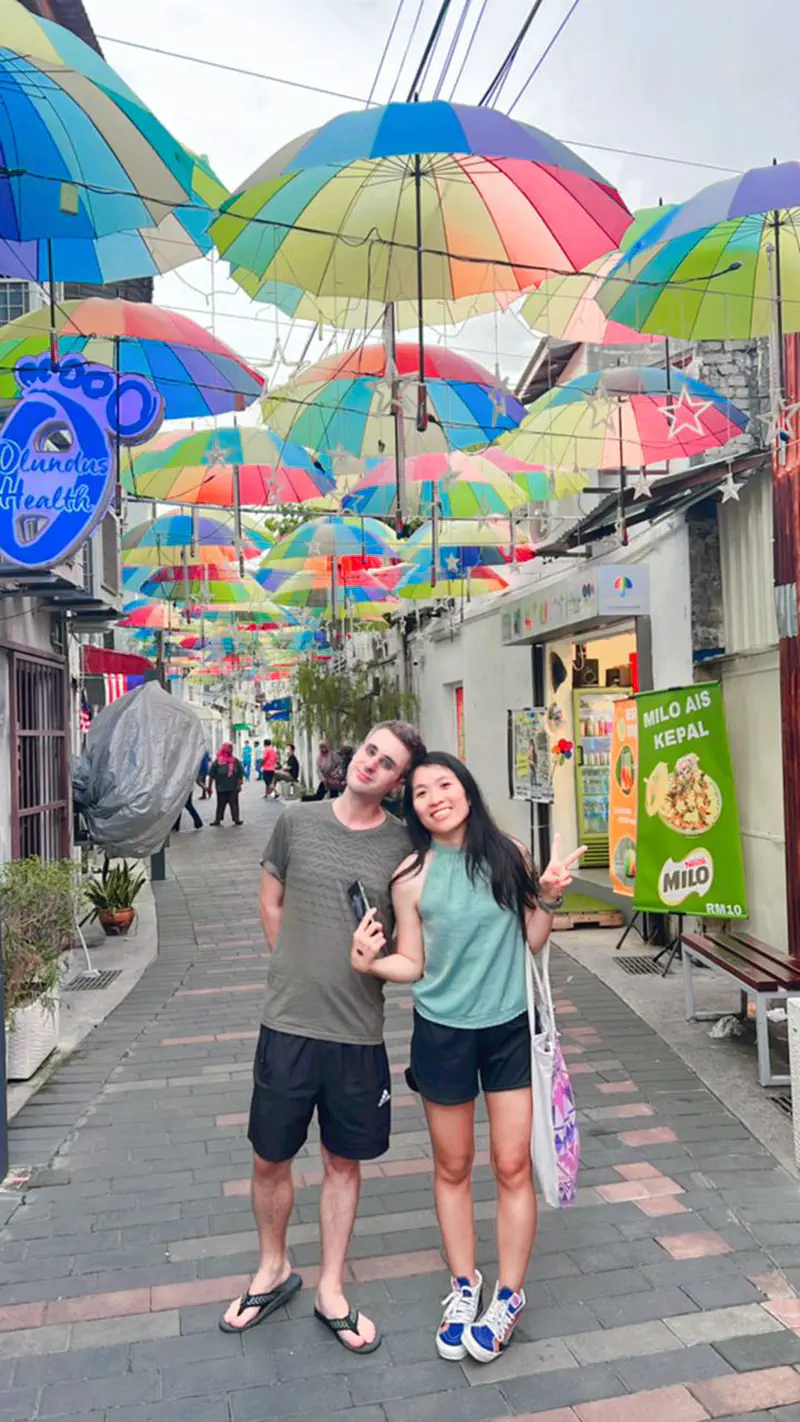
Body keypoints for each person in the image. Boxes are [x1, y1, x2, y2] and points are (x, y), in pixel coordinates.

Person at [351, 752, 585, 1365]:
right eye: (422, 791)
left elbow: (530, 942)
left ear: (467, 790)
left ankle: (508, 1295)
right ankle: (464, 1286)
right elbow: (414, 962)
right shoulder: (411, 875)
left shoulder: (507, 853)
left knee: (512, 1166)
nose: (434, 798)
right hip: (441, 1035)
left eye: (444, 785)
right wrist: (371, 961)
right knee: (453, 1166)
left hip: (508, 1030)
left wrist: (550, 898)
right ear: (415, 808)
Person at [220, 721, 427, 1353]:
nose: (371, 765)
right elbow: (270, 898)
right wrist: (292, 968)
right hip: (287, 1023)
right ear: (353, 753)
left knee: (342, 1161)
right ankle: (273, 1266)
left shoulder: (403, 849)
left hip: (357, 1033)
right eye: (369, 751)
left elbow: (411, 940)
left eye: (387, 763)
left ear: (398, 783)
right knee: (269, 1156)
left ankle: (331, 1287)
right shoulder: (298, 821)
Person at [210, 742, 245, 825]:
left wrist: (239, 785)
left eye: (231, 748)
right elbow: (211, 775)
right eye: (229, 748)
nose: (231, 750)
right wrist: (209, 787)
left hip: (233, 788)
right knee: (220, 805)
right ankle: (217, 819)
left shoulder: (235, 761)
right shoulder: (217, 762)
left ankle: (236, 819)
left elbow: (240, 774)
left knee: (234, 804)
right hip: (221, 788)